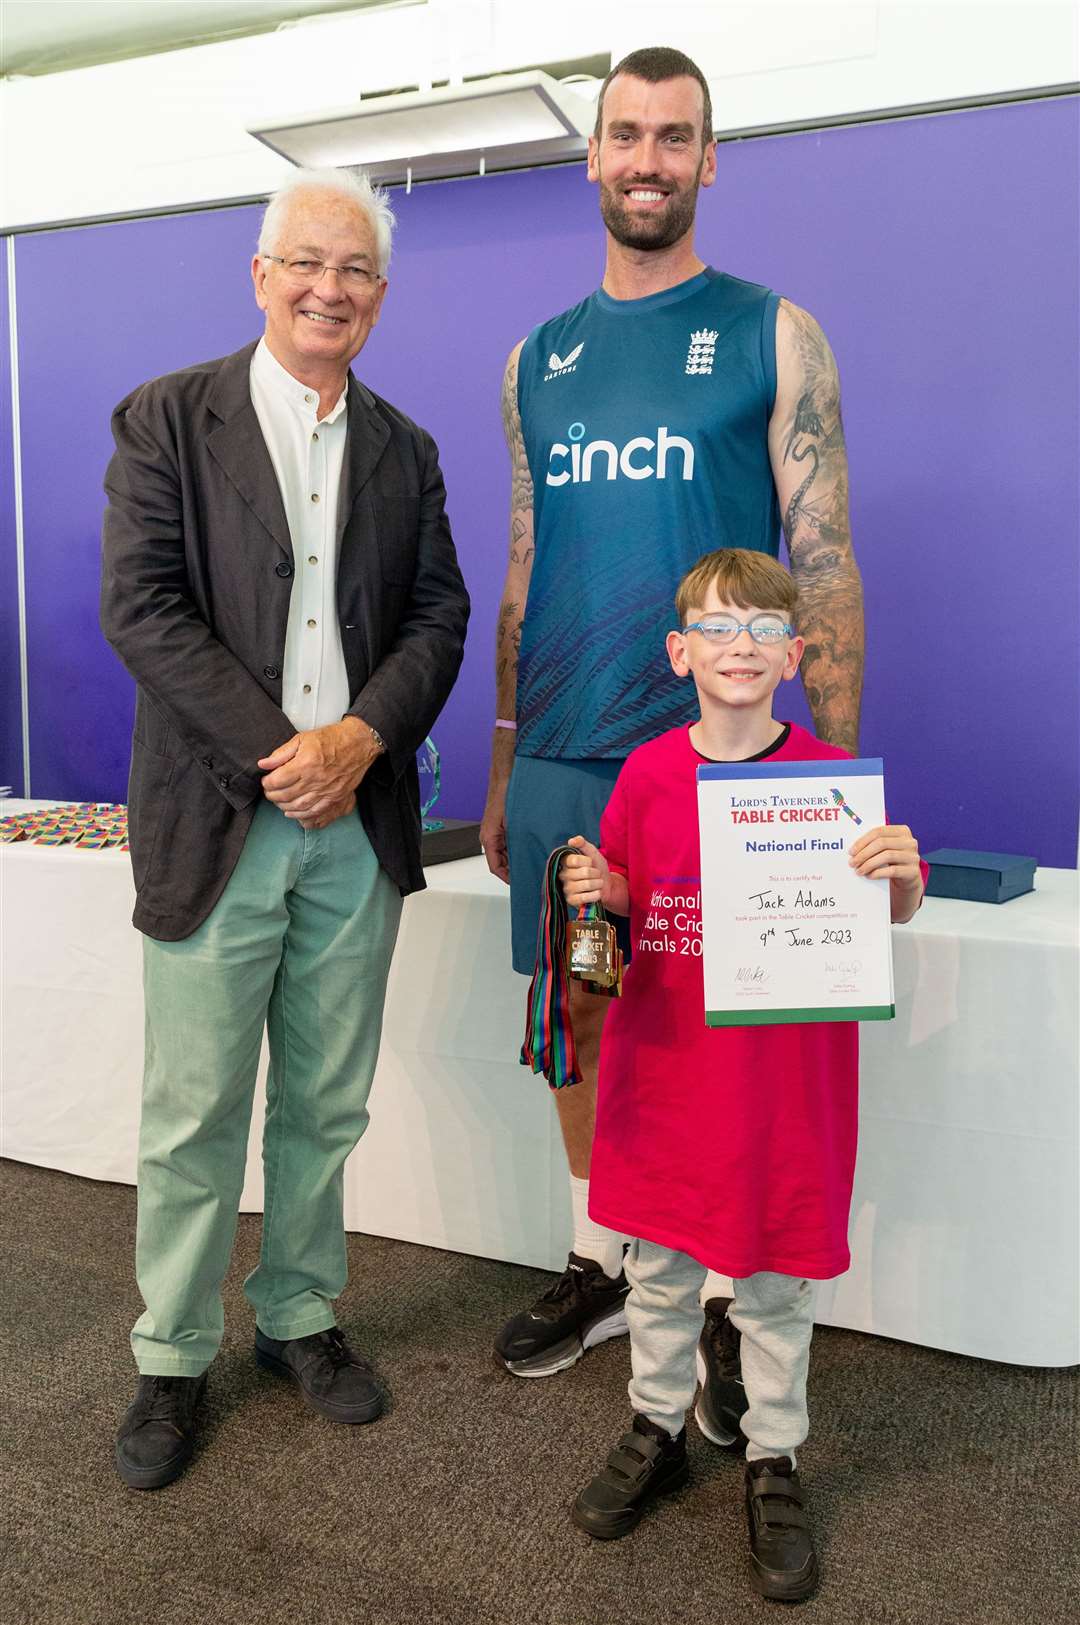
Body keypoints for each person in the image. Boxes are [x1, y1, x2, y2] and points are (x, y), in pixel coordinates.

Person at [482, 45, 865, 1380]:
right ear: (593, 156)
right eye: (625, 134)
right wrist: (503, 757)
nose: (647, 159)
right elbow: (526, 561)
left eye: (675, 137)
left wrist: (825, 785)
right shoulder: (539, 357)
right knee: (577, 1020)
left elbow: (821, 561)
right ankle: (605, 1261)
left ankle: (715, 1291)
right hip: (569, 761)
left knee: (721, 1032)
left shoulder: (772, 331)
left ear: (710, 161)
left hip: (723, 771)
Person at [100, 169, 469, 1490]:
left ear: (380, 294)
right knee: (193, 1108)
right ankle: (173, 1353)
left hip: (354, 830)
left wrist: (361, 740)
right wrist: (282, 753)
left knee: (321, 1103)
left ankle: (300, 1314)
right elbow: (141, 607)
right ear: (260, 274)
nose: (330, 289)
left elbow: (438, 617)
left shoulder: (405, 450)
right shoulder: (165, 420)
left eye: (356, 270)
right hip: (219, 823)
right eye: (307, 263)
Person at [557, 547, 924, 1601]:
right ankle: (658, 1424)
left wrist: (898, 876)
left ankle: (773, 1454)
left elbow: (884, 908)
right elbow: (634, 899)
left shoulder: (831, 782)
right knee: (662, 1270)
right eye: (718, 627)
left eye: (764, 630)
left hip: (778, 1088)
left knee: (770, 1282)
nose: (740, 646)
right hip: (667, 1072)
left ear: (793, 655)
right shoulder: (645, 773)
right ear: (681, 651)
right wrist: (603, 884)